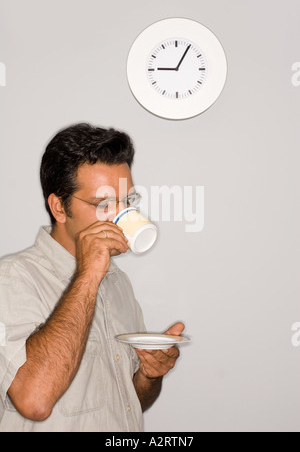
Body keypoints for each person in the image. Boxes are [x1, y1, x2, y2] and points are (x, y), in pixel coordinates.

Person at [0, 123, 184, 432]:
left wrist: (149, 376)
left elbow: (126, 403)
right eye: (104, 204)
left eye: (128, 201)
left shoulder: (118, 282)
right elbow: (34, 401)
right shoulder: (12, 279)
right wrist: (87, 275)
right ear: (60, 207)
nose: (120, 215)